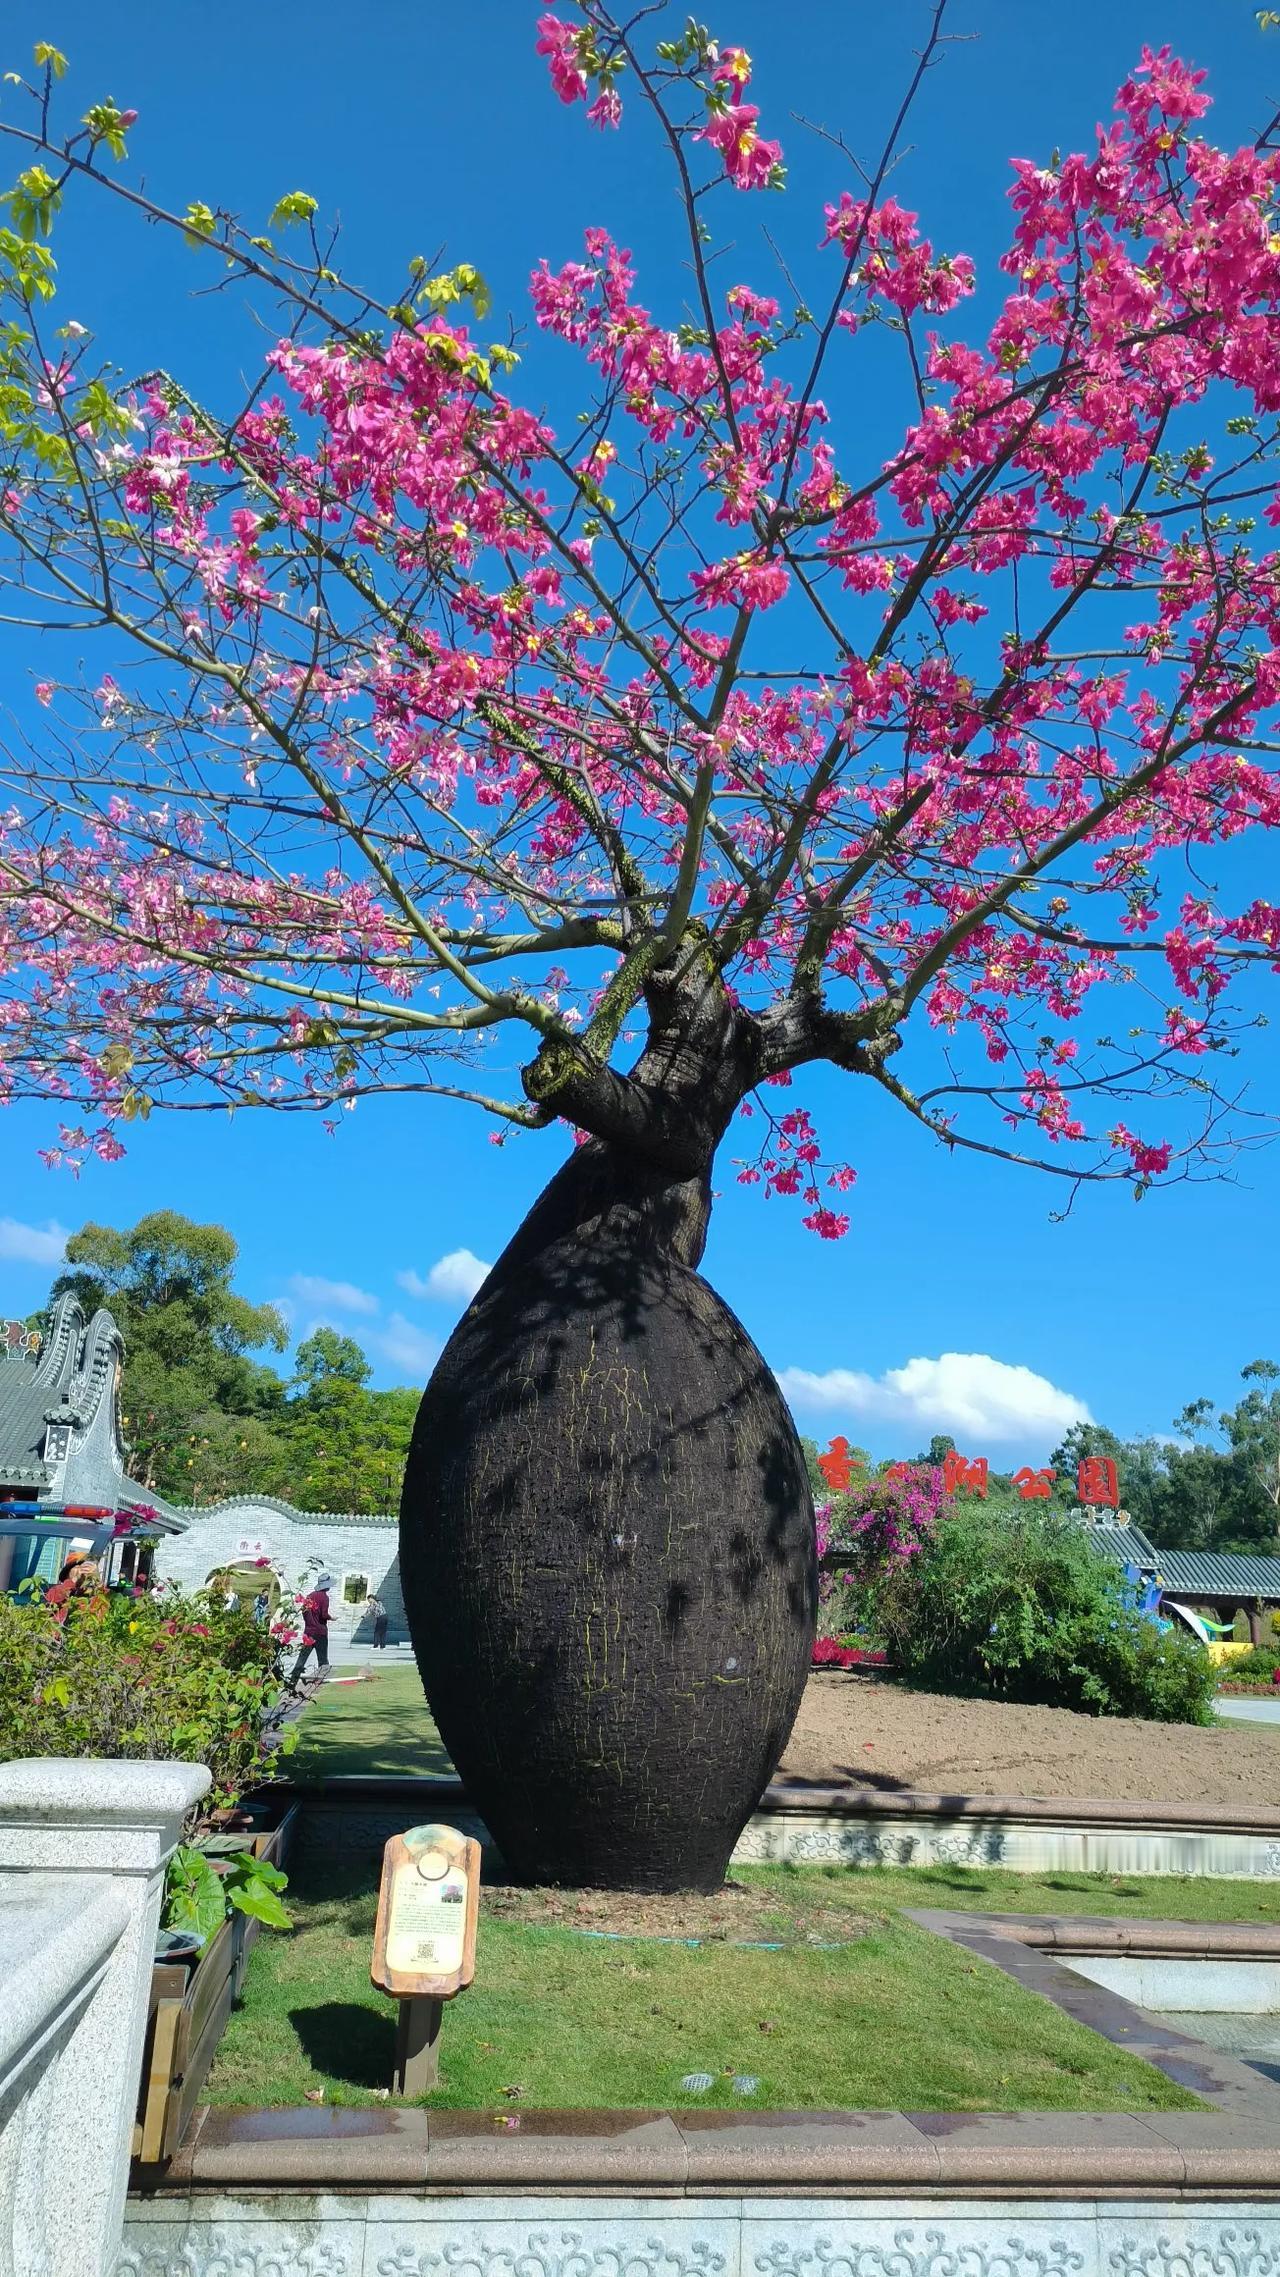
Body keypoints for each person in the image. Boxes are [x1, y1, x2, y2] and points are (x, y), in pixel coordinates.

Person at [289, 1573, 331, 1689]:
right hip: (320, 1632)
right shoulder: (324, 1597)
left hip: (309, 1632)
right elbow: (324, 1614)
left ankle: (292, 1681)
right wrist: (331, 1618)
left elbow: (304, 1612)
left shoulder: (309, 1596)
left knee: (302, 1658)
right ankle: (320, 1681)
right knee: (322, 1659)